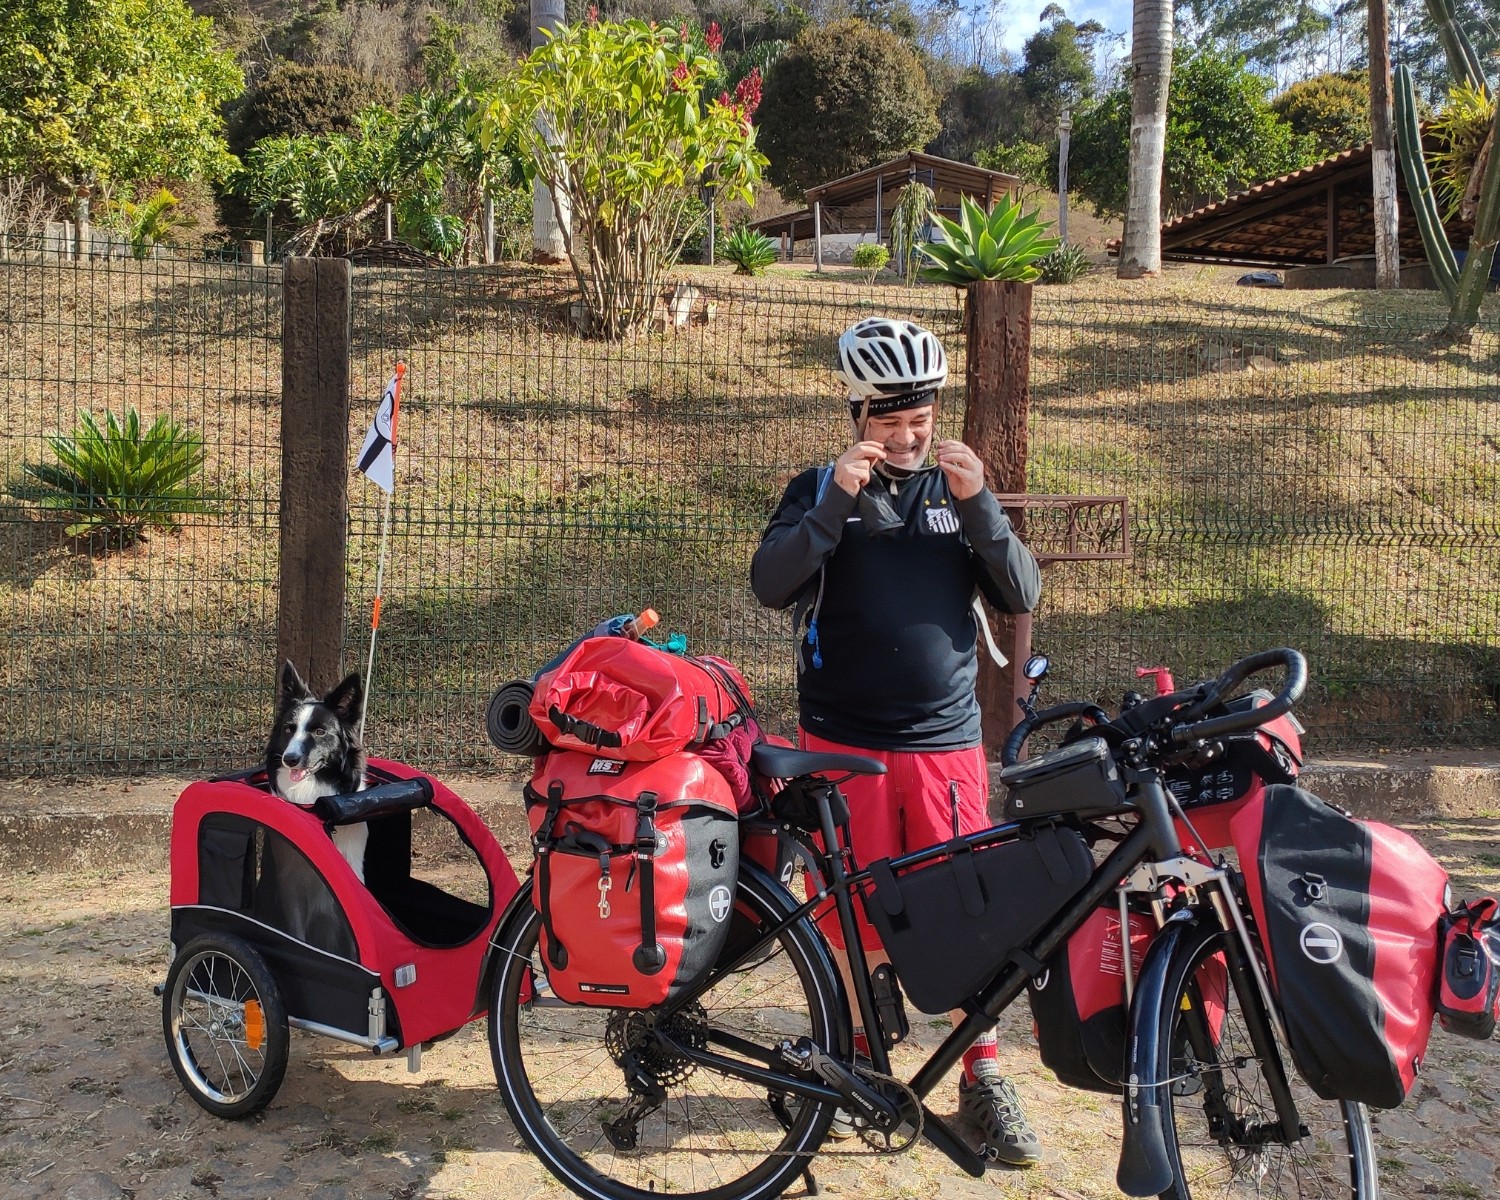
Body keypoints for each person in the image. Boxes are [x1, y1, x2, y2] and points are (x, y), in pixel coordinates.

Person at [750, 316, 1044, 1166]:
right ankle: (856, 1064)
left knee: (966, 914)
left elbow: (1019, 591)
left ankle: (982, 1074)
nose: (910, 437)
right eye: (891, 423)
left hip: (945, 742)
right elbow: (773, 585)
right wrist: (834, 501)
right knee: (849, 911)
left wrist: (982, 504)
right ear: (856, 411)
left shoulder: (957, 493)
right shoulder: (816, 488)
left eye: (921, 419)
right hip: (841, 743)